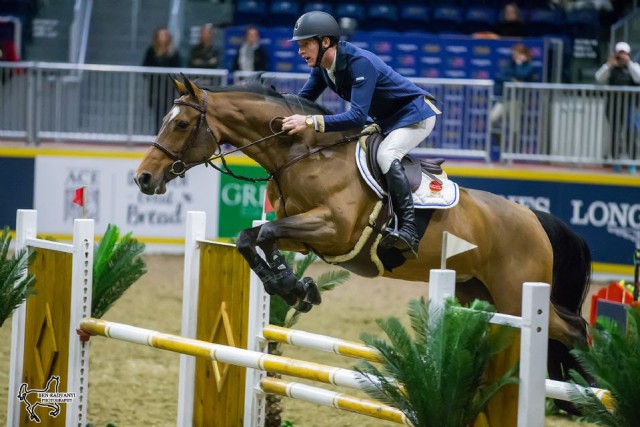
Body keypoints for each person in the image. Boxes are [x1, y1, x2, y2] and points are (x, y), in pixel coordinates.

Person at [281, 11, 441, 259]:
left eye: (305, 44)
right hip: (387, 120)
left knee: (387, 155)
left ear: (325, 42)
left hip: (415, 115)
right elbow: (303, 102)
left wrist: (311, 121)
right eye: (299, 45)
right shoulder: (323, 67)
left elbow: (355, 117)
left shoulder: (359, 62)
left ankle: (409, 229)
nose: (300, 51)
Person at [595, 41, 640, 173]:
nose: (621, 56)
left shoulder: (634, 66)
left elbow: (638, 78)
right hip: (613, 106)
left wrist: (629, 63)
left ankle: (631, 162)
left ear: (629, 54)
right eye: (619, 53)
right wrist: (609, 64)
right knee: (615, 134)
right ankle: (616, 161)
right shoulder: (610, 67)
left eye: (624, 53)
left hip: (629, 106)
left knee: (631, 132)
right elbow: (599, 78)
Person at [142, 27, 181, 128]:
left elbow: (177, 69)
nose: (163, 37)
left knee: (168, 113)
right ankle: (157, 134)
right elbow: (145, 67)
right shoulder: (151, 51)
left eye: (165, 35)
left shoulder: (173, 52)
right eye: (161, 35)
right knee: (157, 113)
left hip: (168, 88)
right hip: (155, 87)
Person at [490, 43, 536, 129]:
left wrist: (519, 64)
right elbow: (500, 77)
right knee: (492, 119)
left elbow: (522, 75)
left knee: (514, 128)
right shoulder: (510, 64)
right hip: (504, 98)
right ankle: (500, 142)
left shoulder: (529, 66)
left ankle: (513, 143)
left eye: (518, 54)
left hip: (516, 100)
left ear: (524, 54)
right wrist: (512, 80)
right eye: (514, 54)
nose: (515, 56)